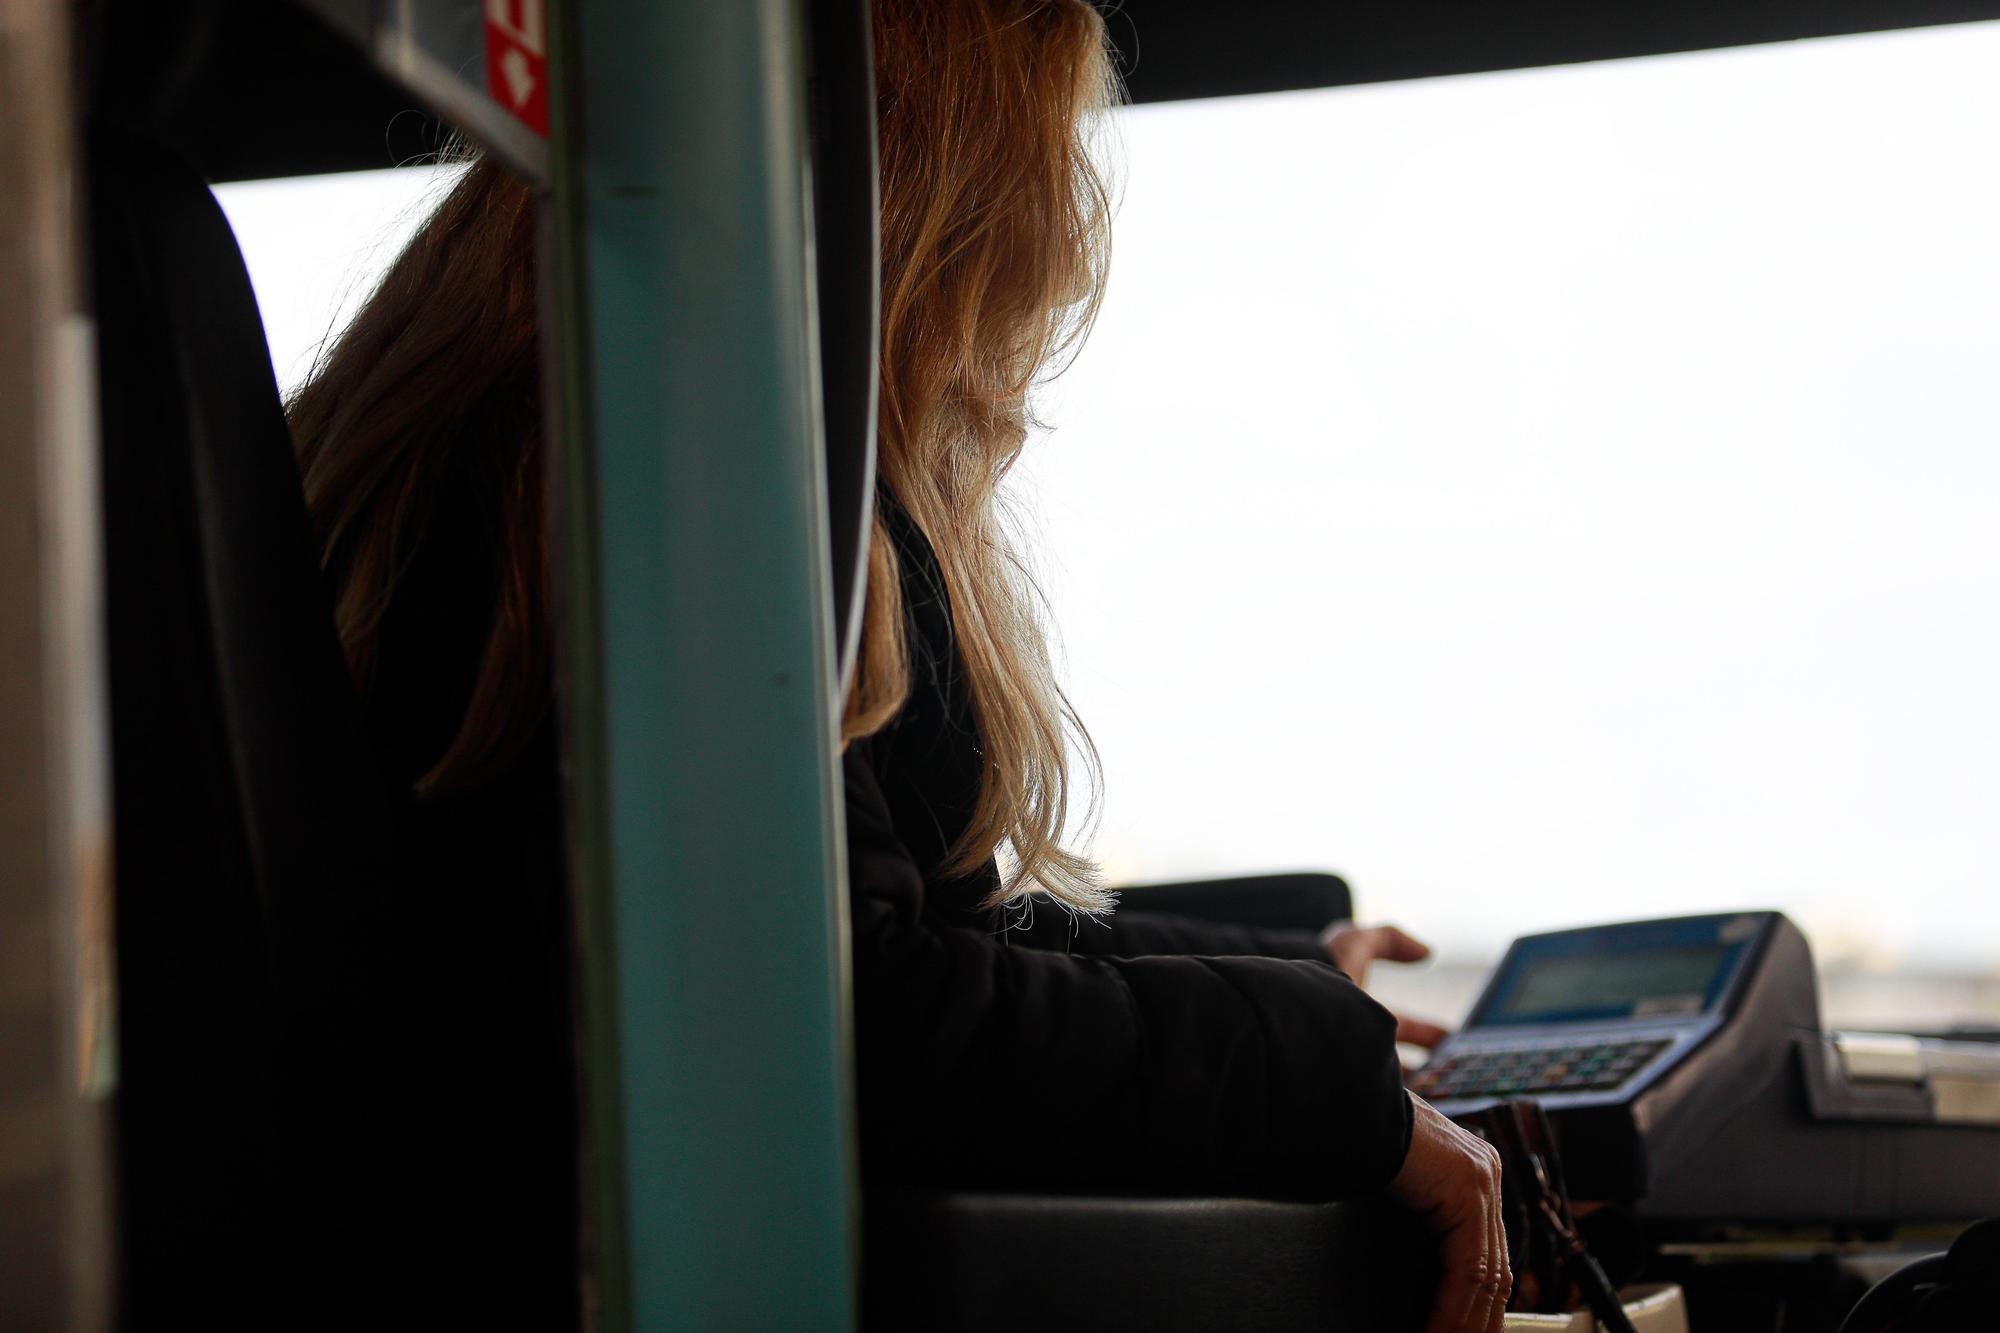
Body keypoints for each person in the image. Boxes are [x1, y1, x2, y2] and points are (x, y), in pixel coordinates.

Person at [288, 0, 1510, 1328]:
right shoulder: (682, 478)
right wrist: (1329, 1086)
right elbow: (854, 1022)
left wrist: (1292, 974)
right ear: (955, 202)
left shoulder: (510, 438)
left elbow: (880, 923)